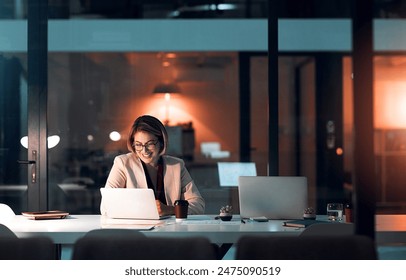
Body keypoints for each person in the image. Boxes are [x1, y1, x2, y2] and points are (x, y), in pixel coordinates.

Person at [101, 115, 205, 216]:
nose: (144, 150)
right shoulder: (123, 163)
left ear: (161, 142)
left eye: (150, 143)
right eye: (138, 144)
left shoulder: (177, 165)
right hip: (136, 229)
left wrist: (171, 210)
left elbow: (198, 205)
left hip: (171, 230)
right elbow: (106, 207)